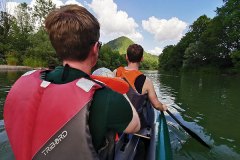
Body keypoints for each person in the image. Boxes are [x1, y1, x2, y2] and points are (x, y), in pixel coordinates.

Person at [3, 5, 140, 160]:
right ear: (95, 49)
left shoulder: (24, 83)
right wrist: (121, 90)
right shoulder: (105, 97)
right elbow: (135, 125)